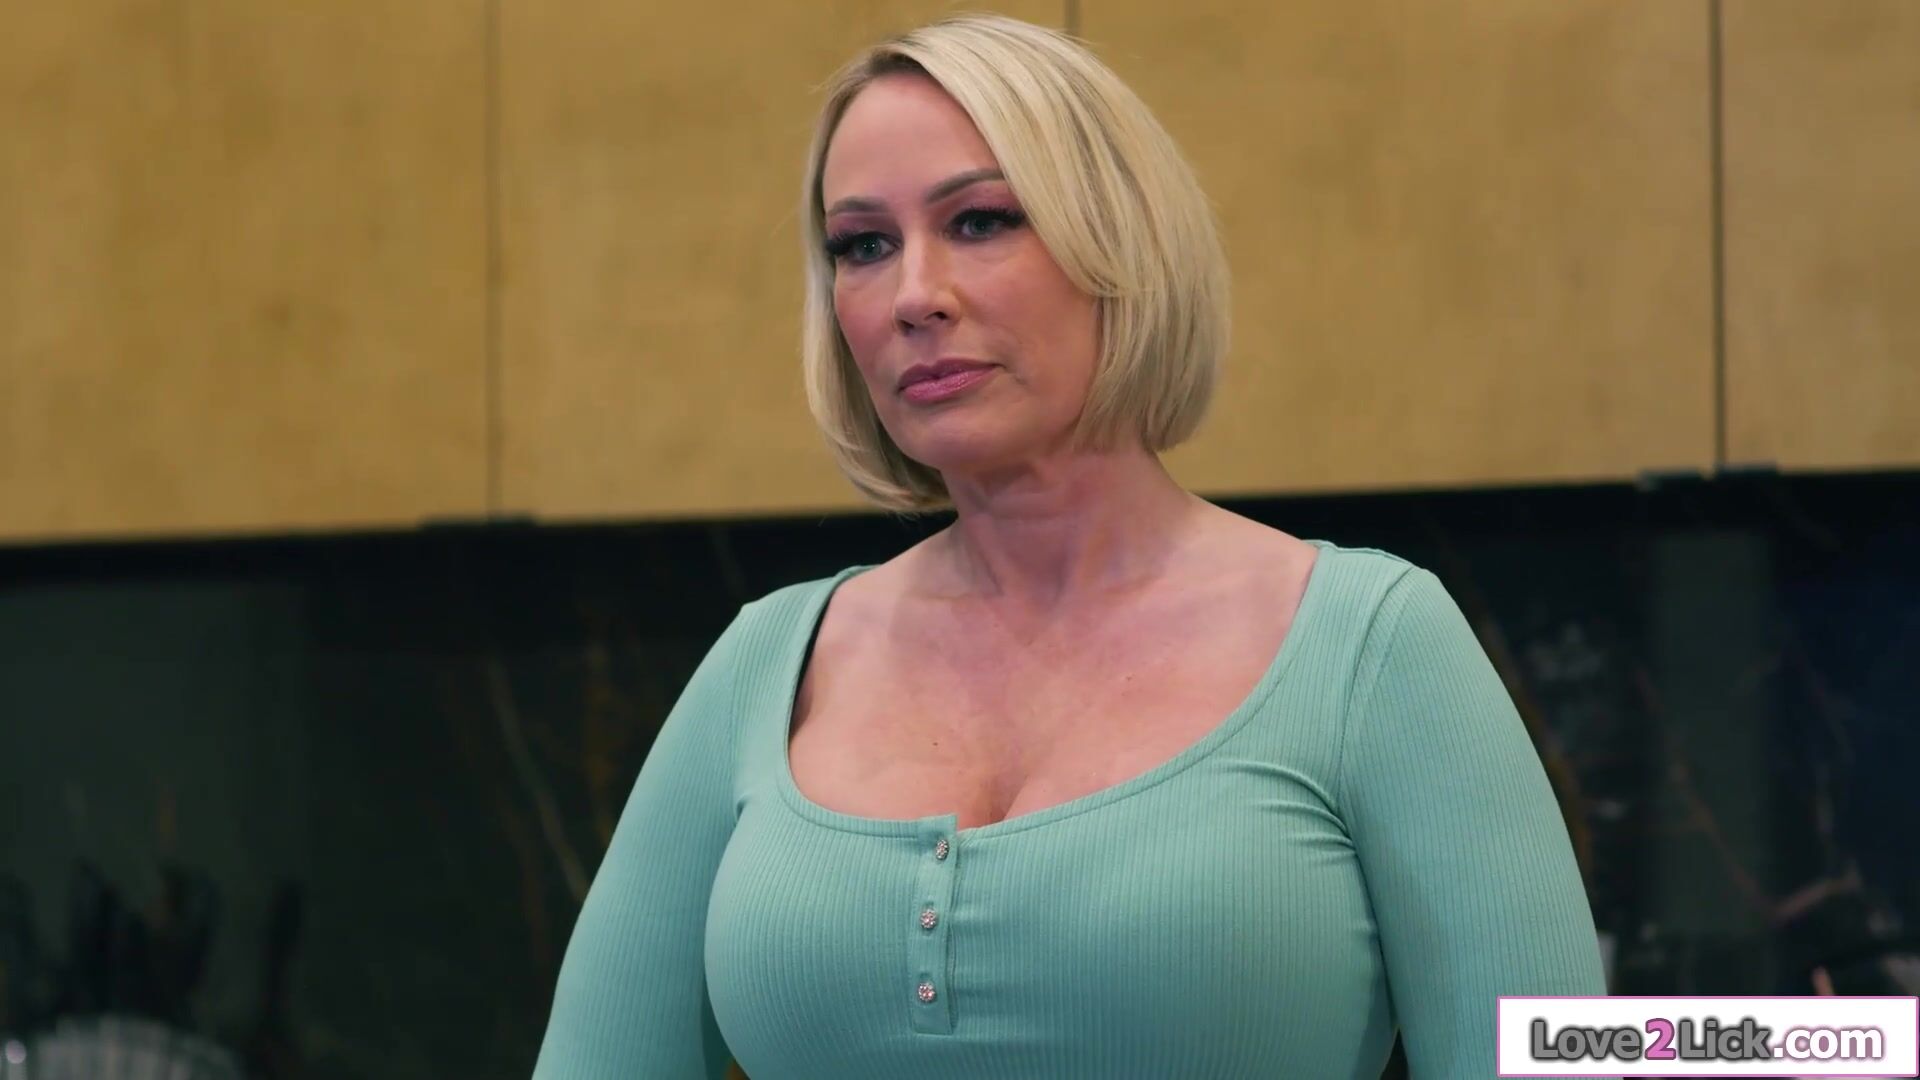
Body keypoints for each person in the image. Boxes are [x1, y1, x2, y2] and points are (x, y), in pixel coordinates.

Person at [532, 13, 1606, 1078]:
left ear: (1121, 246)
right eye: (863, 246)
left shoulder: (1372, 645)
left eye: (981, 221)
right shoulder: (768, 663)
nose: (914, 296)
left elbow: (1556, 1057)